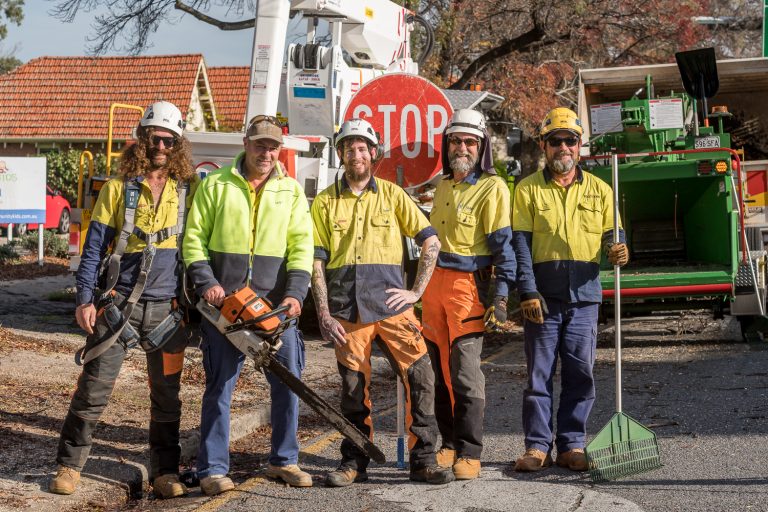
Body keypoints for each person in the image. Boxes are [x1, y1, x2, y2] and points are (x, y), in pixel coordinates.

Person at [49, 101, 198, 499]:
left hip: (167, 315)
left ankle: (165, 471)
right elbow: (93, 249)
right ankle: (69, 466)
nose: (161, 145)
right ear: (141, 139)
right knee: (93, 391)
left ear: (178, 144)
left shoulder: (189, 192)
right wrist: (85, 299)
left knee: (167, 398)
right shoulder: (117, 190)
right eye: (154, 137)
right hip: (118, 311)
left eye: (169, 139)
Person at [311, 118, 453, 487]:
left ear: (373, 154)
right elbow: (316, 261)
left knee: (422, 377)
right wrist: (324, 313)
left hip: (394, 309)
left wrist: (416, 292)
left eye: (362, 148)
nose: (355, 154)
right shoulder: (325, 201)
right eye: (348, 148)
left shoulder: (392, 194)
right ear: (340, 154)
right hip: (347, 312)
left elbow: (431, 241)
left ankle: (423, 459)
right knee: (353, 390)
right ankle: (354, 461)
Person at [182, 115, 313, 495]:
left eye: (273, 147)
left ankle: (284, 460)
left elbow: (302, 247)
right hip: (227, 307)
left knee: (289, 381)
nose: (267, 153)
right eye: (260, 145)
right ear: (245, 143)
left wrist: (295, 294)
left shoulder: (289, 191)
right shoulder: (216, 185)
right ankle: (213, 469)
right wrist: (208, 283)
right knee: (220, 387)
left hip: (274, 308)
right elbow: (193, 240)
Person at [511, 107, 628, 472]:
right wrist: (527, 291)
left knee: (581, 373)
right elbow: (520, 246)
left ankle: (571, 445)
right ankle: (537, 446)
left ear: (580, 147)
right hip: (542, 299)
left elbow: (614, 235)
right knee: (538, 376)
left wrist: (620, 248)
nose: (563, 147)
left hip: (585, 296)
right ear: (544, 146)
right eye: (555, 140)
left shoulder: (602, 189)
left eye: (570, 140)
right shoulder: (527, 189)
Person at [420, 109, 516, 480]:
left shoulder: (493, 188)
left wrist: (501, 296)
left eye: (470, 142)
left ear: (482, 147)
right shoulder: (444, 185)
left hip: (466, 287)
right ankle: (448, 444)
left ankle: (471, 452)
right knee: (438, 372)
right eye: (456, 141)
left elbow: (503, 248)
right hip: (433, 288)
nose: (462, 147)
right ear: (447, 146)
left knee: (465, 373)